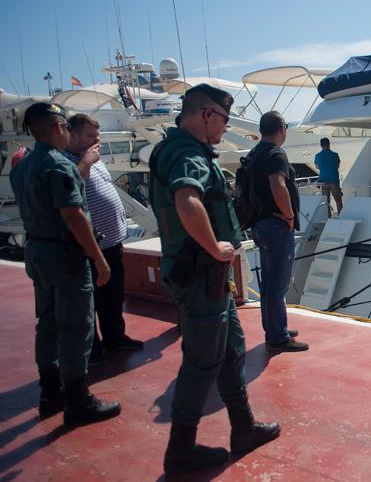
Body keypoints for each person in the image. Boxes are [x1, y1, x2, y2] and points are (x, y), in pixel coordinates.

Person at [148, 84, 279, 475]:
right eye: (222, 119)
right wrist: (215, 248)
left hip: (209, 278)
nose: (225, 127)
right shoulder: (187, 153)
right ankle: (180, 453)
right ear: (206, 115)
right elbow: (187, 200)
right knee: (202, 362)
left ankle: (243, 428)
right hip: (200, 273)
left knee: (230, 349)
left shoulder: (174, 148)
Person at [11, 102, 120, 425]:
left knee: (47, 323)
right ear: (59, 127)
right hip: (65, 257)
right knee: (77, 326)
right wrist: (98, 258)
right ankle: (77, 399)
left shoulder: (23, 166)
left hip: (38, 252)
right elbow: (73, 214)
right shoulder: (59, 166)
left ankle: (50, 393)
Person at [64, 114, 144, 367]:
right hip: (88, 246)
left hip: (112, 241)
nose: (96, 140)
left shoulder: (93, 158)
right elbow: (70, 188)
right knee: (90, 301)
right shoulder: (66, 161)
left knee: (112, 296)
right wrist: (86, 161)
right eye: (90, 136)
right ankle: (93, 349)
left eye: (97, 135)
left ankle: (115, 337)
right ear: (72, 135)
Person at [247, 111, 309, 352]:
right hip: (276, 226)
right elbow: (278, 184)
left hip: (260, 224)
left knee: (270, 282)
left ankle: (275, 327)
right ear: (282, 128)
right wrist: (290, 215)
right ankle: (278, 336)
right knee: (278, 283)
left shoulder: (256, 152)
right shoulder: (275, 154)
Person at [314, 137, 342, 214]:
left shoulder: (317, 156)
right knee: (338, 200)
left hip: (323, 182)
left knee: (326, 202)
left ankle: (327, 218)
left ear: (321, 145)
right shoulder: (335, 155)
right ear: (329, 144)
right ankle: (341, 216)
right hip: (334, 181)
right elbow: (337, 166)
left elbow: (317, 167)